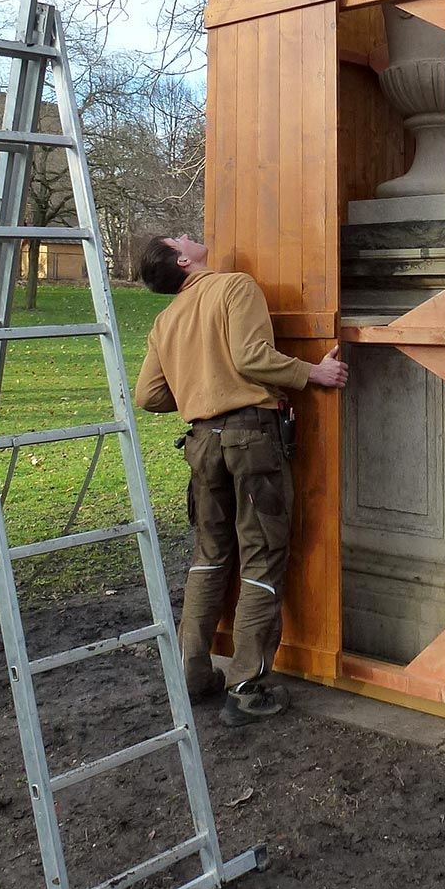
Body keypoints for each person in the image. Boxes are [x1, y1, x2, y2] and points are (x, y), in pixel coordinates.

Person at [134, 234, 348, 726]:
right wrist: (313, 373)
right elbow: (252, 357)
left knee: (209, 557)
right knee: (262, 557)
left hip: (202, 444)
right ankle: (246, 689)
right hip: (251, 439)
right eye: (178, 238)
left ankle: (192, 675)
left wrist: (198, 392)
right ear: (183, 260)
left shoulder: (166, 320)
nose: (187, 234)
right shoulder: (234, 287)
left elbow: (148, 395)